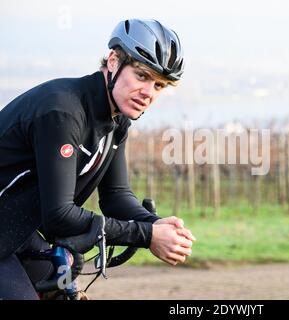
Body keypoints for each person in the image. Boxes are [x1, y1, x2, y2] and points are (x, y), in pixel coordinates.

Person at [0, 18, 195, 300]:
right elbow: (59, 216)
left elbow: (115, 196)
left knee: (64, 291)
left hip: (13, 229)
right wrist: (146, 236)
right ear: (114, 61)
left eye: (159, 85)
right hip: (7, 230)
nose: (148, 93)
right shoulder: (64, 112)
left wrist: (155, 225)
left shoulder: (116, 121)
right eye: (142, 76)